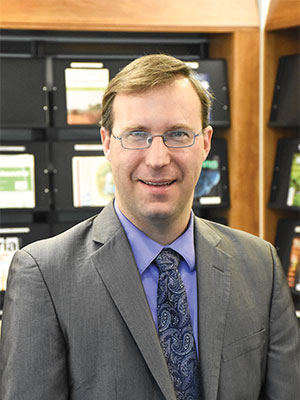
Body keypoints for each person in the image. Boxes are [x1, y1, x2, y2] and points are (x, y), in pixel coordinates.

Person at [0, 54, 299, 400]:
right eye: (137, 134)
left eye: (178, 134)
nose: (158, 159)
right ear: (107, 143)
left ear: (205, 143)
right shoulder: (46, 276)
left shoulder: (261, 265)